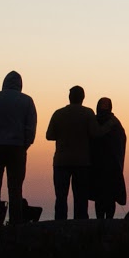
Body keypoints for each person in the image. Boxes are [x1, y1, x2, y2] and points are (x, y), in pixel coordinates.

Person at [0, 71, 38, 211]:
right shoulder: (27, 100)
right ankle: (15, 223)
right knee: (16, 188)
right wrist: (25, 145)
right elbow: (31, 127)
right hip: (17, 147)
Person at [46, 85, 98, 220]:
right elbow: (95, 134)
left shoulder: (58, 113)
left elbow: (49, 135)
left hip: (61, 161)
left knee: (61, 196)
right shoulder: (88, 113)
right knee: (81, 197)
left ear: (69, 97)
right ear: (83, 98)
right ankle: (80, 225)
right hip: (82, 161)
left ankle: (60, 223)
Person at [90, 98, 127, 220]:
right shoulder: (113, 122)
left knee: (105, 195)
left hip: (106, 165)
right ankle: (104, 220)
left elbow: (120, 140)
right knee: (103, 195)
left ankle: (105, 220)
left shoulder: (112, 123)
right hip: (104, 165)